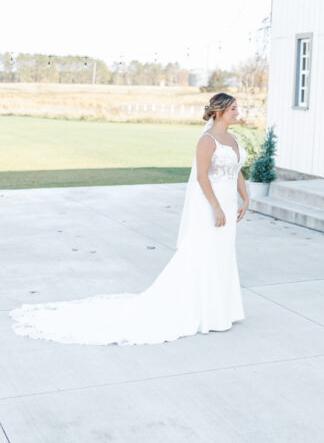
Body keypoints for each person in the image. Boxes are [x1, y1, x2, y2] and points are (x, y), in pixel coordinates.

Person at [11, 92, 249, 345]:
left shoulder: (232, 139)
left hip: (228, 203)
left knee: (222, 254)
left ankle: (221, 309)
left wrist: (245, 199)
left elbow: (236, 172)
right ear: (220, 111)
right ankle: (203, 311)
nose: (238, 112)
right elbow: (202, 177)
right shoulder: (207, 140)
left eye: (237, 108)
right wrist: (216, 207)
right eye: (233, 108)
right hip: (210, 206)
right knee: (203, 254)